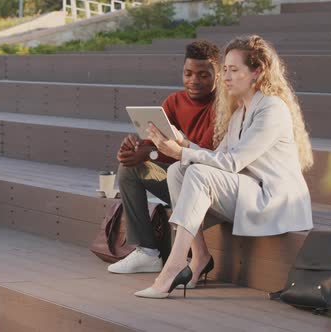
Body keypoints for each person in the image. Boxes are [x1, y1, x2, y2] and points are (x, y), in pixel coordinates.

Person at [134, 35, 314, 298]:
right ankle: (199, 256)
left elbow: (231, 163)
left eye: (233, 70)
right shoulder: (241, 112)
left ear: (258, 71)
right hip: (247, 191)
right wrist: (182, 142)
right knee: (177, 170)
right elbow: (218, 156)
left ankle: (173, 267)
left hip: (274, 201)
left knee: (194, 169)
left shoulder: (272, 109)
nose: (226, 77)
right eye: (225, 70)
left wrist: (182, 152)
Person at [108, 40, 221, 275]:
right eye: (188, 73)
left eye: (203, 75)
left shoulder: (222, 107)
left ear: (218, 75)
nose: (194, 80)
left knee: (177, 169)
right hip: (178, 183)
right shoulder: (174, 101)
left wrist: (148, 153)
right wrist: (133, 152)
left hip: (209, 192)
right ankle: (147, 253)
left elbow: (206, 156)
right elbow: (152, 148)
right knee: (129, 169)